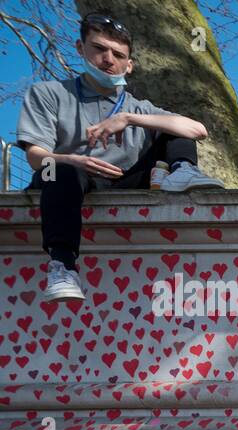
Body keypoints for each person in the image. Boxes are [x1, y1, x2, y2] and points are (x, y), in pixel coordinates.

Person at [16, 12, 225, 303]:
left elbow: (198, 130)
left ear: (129, 65)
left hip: (126, 178)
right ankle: (63, 267)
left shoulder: (139, 108)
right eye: (99, 48)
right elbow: (37, 158)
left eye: (117, 54)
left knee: (172, 125)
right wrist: (75, 161)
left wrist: (129, 119)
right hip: (69, 179)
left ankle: (182, 171)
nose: (108, 59)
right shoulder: (48, 93)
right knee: (57, 170)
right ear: (80, 48)